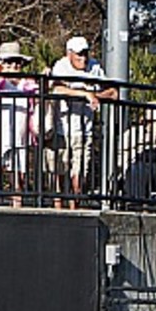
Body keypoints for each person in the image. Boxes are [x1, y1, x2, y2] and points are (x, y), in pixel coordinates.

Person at [48, 35, 117, 209]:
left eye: (85, 53)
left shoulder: (94, 67)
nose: (83, 58)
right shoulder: (61, 65)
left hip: (84, 131)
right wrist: (84, 94)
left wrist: (95, 96)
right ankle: (58, 208)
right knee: (58, 172)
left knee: (79, 175)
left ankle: (74, 208)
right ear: (69, 53)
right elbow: (55, 88)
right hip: (61, 129)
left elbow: (113, 92)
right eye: (79, 54)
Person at [0, 42, 38, 207]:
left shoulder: (29, 84)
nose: (14, 66)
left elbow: (39, 97)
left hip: (20, 137)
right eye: (9, 62)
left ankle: (17, 214)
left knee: (18, 182)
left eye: (17, 62)